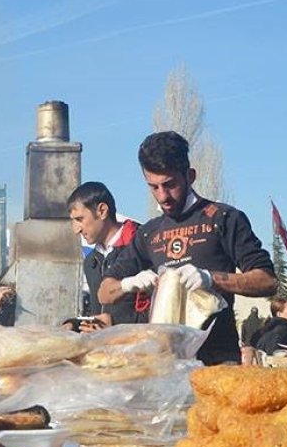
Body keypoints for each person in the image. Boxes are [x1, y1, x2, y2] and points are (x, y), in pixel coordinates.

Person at [98, 131, 277, 365]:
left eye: (170, 185)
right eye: (154, 187)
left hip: (218, 362)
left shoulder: (223, 218)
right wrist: (127, 284)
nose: (163, 196)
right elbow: (104, 292)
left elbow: (267, 281)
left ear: (190, 176)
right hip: (166, 365)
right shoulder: (148, 233)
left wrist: (211, 279)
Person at [68, 182, 147, 326]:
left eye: (79, 219)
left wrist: (116, 324)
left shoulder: (144, 246)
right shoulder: (91, 262)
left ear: (102, 211)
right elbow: (98, 315)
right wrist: (75, 325)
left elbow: (162, 309)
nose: (76, 229)